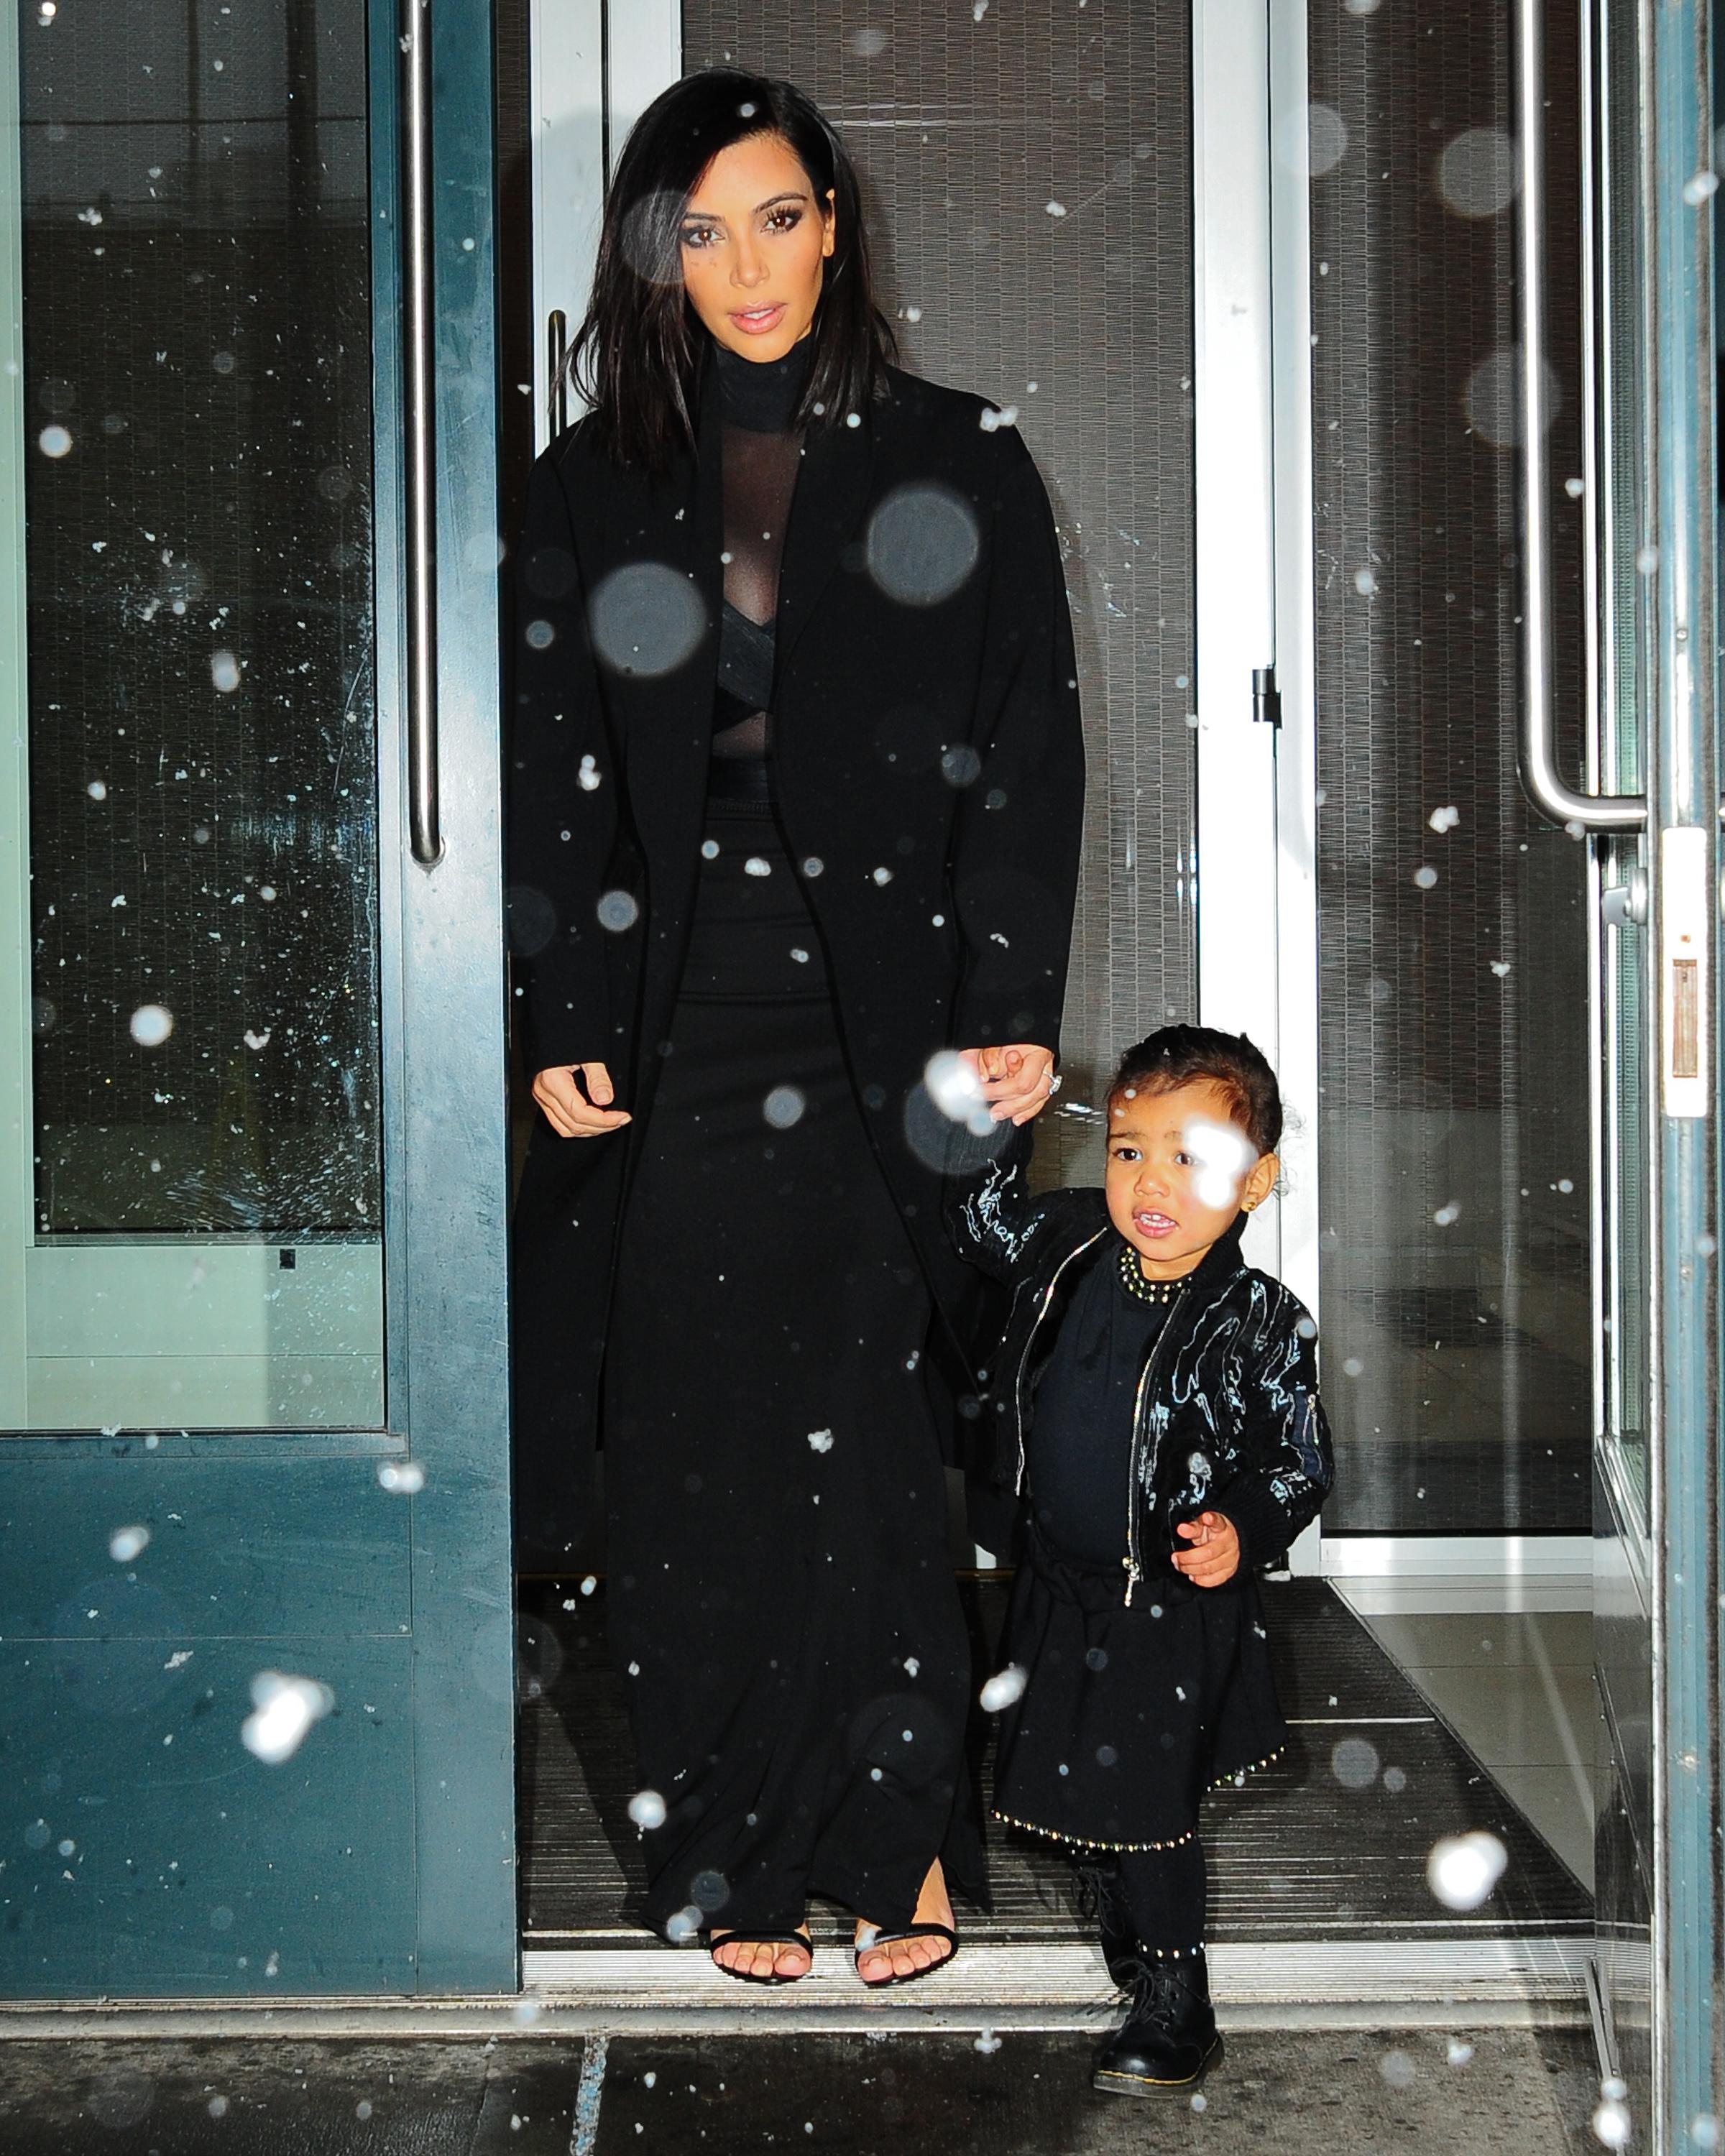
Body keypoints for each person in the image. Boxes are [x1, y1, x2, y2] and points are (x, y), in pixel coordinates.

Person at [506, 70, 1085, 1987]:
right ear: (653, 258)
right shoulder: (589, 484)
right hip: (677, 1006)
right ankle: (731, 1852)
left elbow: (1026, 753)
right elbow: (550, 767)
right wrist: (564, 1005)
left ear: (835, 222)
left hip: (886, 1002)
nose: (744, 267)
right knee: (690, 1442)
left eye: (775, 217)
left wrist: (1008, 1015)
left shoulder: (960, 452)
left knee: (862, 1436)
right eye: (699, 231)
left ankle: (894, 1839)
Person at [948, 1025, 1333, 2091]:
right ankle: (1124, 1904)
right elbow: (981, 1223)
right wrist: (997, 1129)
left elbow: (1298, 1460)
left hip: (1167, 1598)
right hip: (1059, 1584)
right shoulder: (1071, 1246)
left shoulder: (1259, 1319)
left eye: (1191, 1156)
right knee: (1069, 1770)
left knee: (1150, 1808)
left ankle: (1178, 2000)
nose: (1151, 1182)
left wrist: (1243, 1529)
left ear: (1254, 1181)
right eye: (1129, 1149)